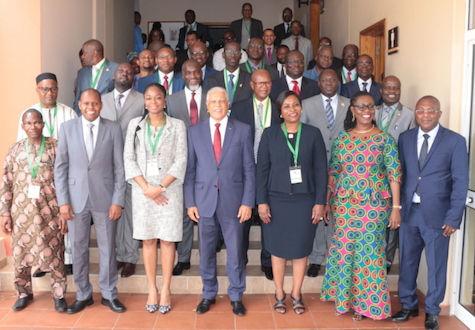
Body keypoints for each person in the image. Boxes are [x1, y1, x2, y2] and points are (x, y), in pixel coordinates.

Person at [320, 91, 401, 321]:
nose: (367, 110)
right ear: (353, 110)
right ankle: (346, 300)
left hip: (374, 206)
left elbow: (394, 174)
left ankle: (368, 305)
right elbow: (334, 171)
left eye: (371, 106)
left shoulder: (385, 139)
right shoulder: (342, 139)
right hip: (344, 206)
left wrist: (396, 208)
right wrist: (327, 201)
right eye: (362, 106)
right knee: (345, 252)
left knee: (370, 253)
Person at [393, 96, 468, 330]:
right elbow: (400, 175)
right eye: (420, 111)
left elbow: (460, 181)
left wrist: (454, 216)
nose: (425, 115)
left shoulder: (455, 141)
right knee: (407, 261)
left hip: (438, 215)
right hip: (409, 211)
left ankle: (433, 310)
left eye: (430, 111)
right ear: (415, 113)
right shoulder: (404, 139)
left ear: (439, 113)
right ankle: (408, 304)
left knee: (436, 264)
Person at [184, 87, 255, 316]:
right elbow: (190, 170)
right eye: (213, 101)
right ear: (206, 105)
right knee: (205, 252)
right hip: (204, 202)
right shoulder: (194, 131)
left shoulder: (242, 130)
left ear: (228, 103)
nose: (217, 105)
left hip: (234, 203)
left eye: (221, 101)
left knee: (235, 252)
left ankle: (236, 295)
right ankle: (208, 294)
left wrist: (247, 202)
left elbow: (249, 170)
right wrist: (190, 202)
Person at [55, 89, 126, 314]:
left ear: (101, 105)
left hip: (105, 198)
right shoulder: (67, 129)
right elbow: (61, 167)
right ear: (79, 104)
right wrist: (63, 202)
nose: (91, 108)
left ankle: (109, 294)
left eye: (95, 104)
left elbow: (119, 168)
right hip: (75, 200)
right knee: (78, 248)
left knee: (107, 248)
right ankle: (83, 294)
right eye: (86, 103)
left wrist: (118, 200)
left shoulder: (113, 129)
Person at [256, 90, 327, 315]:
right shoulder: (269, 135)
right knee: (277, 250)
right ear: (280, 111)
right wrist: (261, 202)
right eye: (286, 106)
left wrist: (320, 202)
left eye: (295, 105)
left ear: (301, 107)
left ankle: (296, 293)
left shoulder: (313, 134)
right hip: (276, 201)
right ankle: (279, 293)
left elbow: (321, 171)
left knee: (300, 250)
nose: (292, 110)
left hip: (306, 201)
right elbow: (262, 170)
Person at [123, 83, 187, 313]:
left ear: (165, 100)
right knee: (149, 240)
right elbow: (128, 159)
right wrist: (147, 188)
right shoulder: (135, 126)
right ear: (144, 101)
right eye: (148, 98)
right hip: (143, 192)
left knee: (168, 240)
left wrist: (159, 187)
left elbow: (181, 159)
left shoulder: (177, 126)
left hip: (169, 191)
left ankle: (166, 288)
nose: (153, 102)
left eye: (157, 98)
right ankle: (152, 288)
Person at [0, 109, 68, 312]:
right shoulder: (14, 150)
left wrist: (65, 211)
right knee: (21, 256)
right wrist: (5, 212)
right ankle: (23, 293)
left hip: (51, 211)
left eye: (37, 123)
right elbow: (6, 183)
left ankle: (59, 294)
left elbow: (66, 180)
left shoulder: (55, 147)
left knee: (55, 254)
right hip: (21, 214)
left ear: (43, 124)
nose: (33, 127)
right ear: (23, 126)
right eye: (28, 124)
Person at [16, 73, 76, 278]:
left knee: (64, 217)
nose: (49, 93)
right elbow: (21, 146)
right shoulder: (27, 114)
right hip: (39, 179)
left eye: (53, 89)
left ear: (58, 89)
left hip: (64, 175)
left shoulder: (69, 112)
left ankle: (67, 260)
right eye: (44, 89)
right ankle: (43, 261)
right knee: (40, 221)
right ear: (37, 90)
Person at [230, 69, 282, 281]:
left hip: (272, 170)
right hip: (245, 171)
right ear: (251, 85)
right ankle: (240, 259)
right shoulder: (239, 108)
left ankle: (267, 261)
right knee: (243, 219)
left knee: (270, 218)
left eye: (267, 83)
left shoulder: (280, 108)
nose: (264, 87)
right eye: (259, 83)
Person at [301, 69, 350, 277]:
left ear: (338, 81)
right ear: (318, 82)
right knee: (316, 212)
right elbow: (302, 134)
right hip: (314, 167)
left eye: (332, 79)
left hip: (344, 169)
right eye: (324, 80)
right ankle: (316, 257)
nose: (329, 82)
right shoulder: (307, 103)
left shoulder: (349, 104)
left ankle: (334, 257)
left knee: (336, 213)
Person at [101, 63, 144, 278]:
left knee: (130, 211)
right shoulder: (102, 100)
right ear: (114, 75)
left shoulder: (142, 99)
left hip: (132, 164)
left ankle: (130, 256)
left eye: (128, 72)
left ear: (133, 76)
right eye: (121, 71)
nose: (124, 74)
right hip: (106, 165)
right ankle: (117, 254)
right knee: (113, 211)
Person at [167, 60, 209, 276]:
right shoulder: (171, 101)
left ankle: (206, 258)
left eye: (196, 71)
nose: (193, 75)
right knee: (183, 214)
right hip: (180, 165)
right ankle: (183, 258)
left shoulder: (213, 98)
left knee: (206, 213)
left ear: (202, 73)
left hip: (208, 164)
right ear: (181, 75)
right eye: (188, 72)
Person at [374, 76, 416, 273]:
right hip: (372, 175)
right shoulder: (372, 111)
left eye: (396, 88)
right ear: (381, 90)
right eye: (388, 88)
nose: (392, 91)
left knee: (393, 219)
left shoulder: (409, 114)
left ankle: (387, 260)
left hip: (395, 176)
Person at [74, 39, 118, 114]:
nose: (82, 57)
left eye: (85, 53)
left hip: (107, 117)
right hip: (85, 118)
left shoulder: (116, 69)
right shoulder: (82, 73)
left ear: (94, 53)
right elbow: (78, 99)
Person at [204, 41, 252, 107]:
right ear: (223, 55)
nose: (233, 55)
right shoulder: (211, 80)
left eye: (236, 52)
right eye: (229, 52)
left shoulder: (250, 79)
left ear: (240, 56)